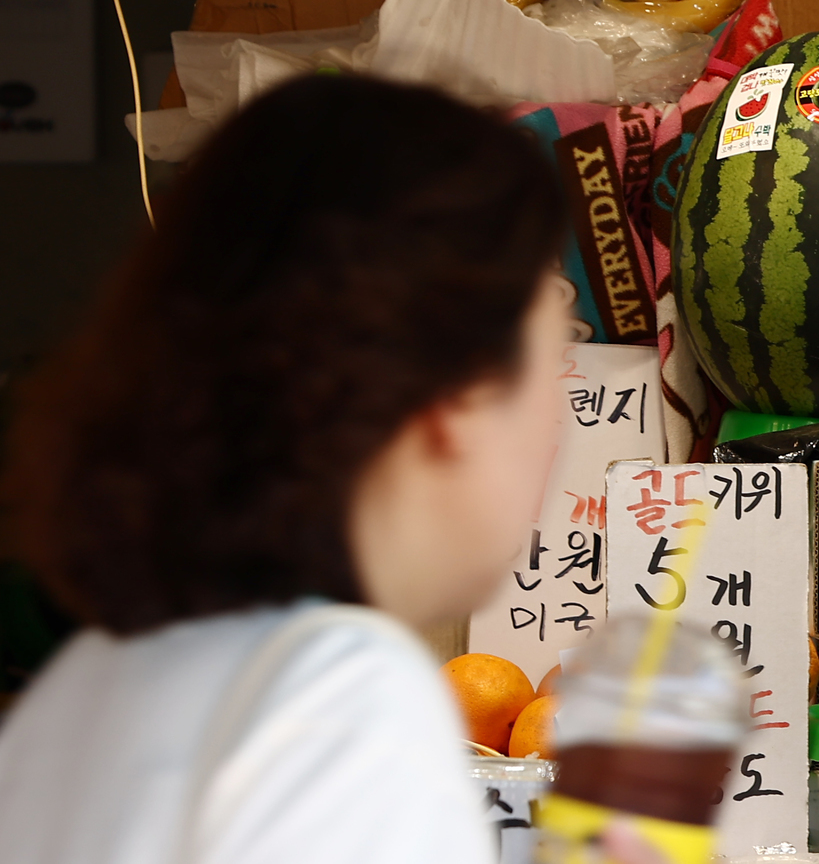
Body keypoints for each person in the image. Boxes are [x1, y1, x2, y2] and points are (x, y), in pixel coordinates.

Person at [0, 75, 569, 862]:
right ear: (451, 404)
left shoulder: (92, 681)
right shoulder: (344, 705)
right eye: (552, 366)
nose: (559, 428)